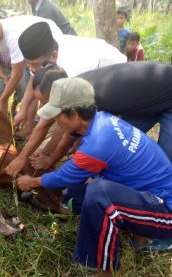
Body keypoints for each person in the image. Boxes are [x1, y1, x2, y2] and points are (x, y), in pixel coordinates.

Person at [16, 77, 172, 276]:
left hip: (165, 211)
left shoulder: (96, 145)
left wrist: (33, 181)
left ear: (73, 114)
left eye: (57, 116)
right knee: (71, 198)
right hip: (145, 195)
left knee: (99, 193)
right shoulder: (103, 120)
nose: (56, 121)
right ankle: (138, 238)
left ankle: (105, 270)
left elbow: (64, 176)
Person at [5, 21, 126, 169]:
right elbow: (33, 79)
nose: (31, 68)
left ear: (54, 55)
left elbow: (58, 124)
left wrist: (44, 154)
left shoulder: (71, 71)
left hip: (112, 74)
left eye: (34, 64)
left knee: (80, 123)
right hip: (91, 75)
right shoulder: (42, 60)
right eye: (27, 64)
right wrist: (23, 109)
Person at [27, 62, 172, 173]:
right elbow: (74, 131)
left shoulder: (84, 96)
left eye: (46, 101)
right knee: (121, 143)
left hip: (167, 93)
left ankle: (161, 204)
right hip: (147, 100)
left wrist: (49, 160)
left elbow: (68, 135)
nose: (45, 105)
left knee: (166, 161)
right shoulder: (75, 87)